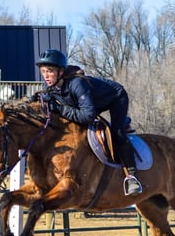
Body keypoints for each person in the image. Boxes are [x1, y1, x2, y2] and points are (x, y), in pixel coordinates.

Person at [34, 49, 143, 196]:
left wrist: (59, 108)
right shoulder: (52, 87)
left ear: (61, 71)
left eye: (50, 71)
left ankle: (132, 177)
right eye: (43, 71)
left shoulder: (77, 84)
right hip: (92, 104)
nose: (46, 76)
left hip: (116, 97)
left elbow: (88, 116)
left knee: (117, 133)